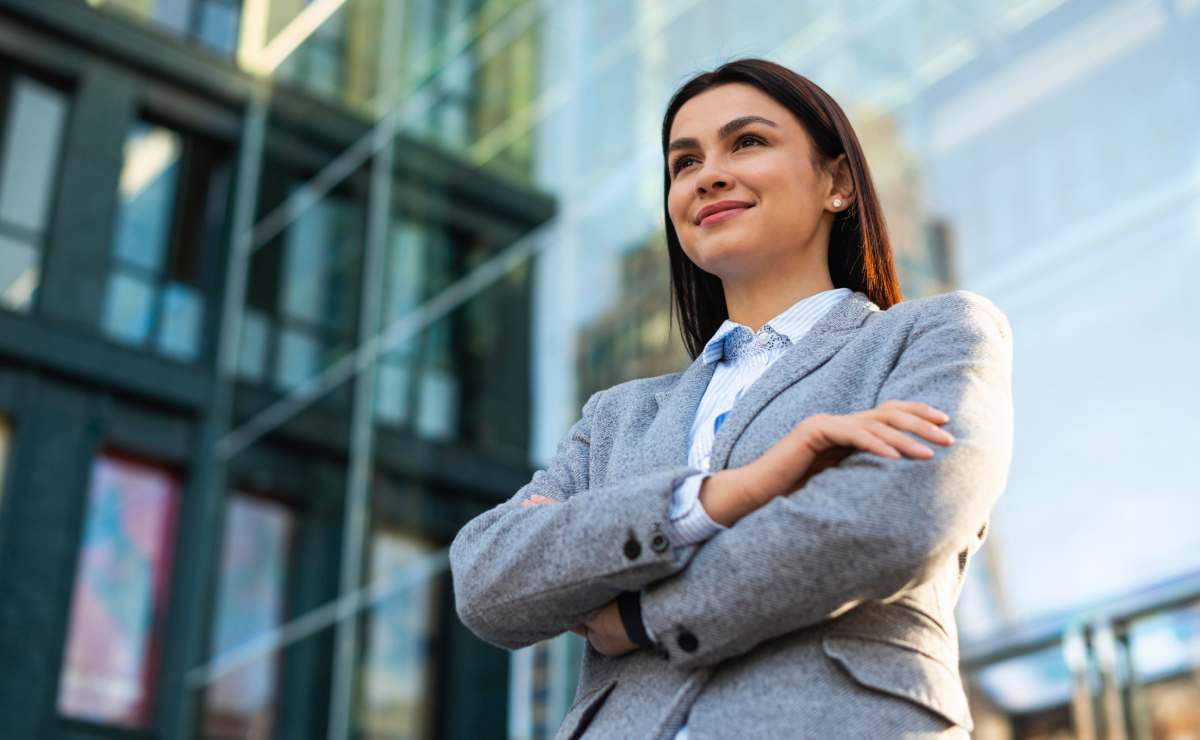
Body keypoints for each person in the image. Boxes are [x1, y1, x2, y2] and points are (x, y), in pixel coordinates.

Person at [450, 57, 1013, 739]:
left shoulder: (933, 335)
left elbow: (893, 519)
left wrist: (632, 616)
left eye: (747, 142)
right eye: (684, 163)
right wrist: (722, 497)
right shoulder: (615, 417)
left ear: (836, 182)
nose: (707, 174)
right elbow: (487, 580)